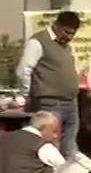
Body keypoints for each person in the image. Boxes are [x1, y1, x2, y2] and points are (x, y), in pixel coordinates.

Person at [17, 10, 82, 156]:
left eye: (73, 34)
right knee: (50, 145)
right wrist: (27, 95)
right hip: (49, 102)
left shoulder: (66, 46)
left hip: (71, 103)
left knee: (70, 145)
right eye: (66, 32)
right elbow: (24, 70)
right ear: (57, 25)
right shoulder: (38, 42)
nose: (69, 37)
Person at [0, 110, 65, 173]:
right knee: (54, 170)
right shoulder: (42, 145)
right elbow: (63, 167)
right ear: (44, 128)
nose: (55, 136)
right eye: (54, 131)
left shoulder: (5, 138)